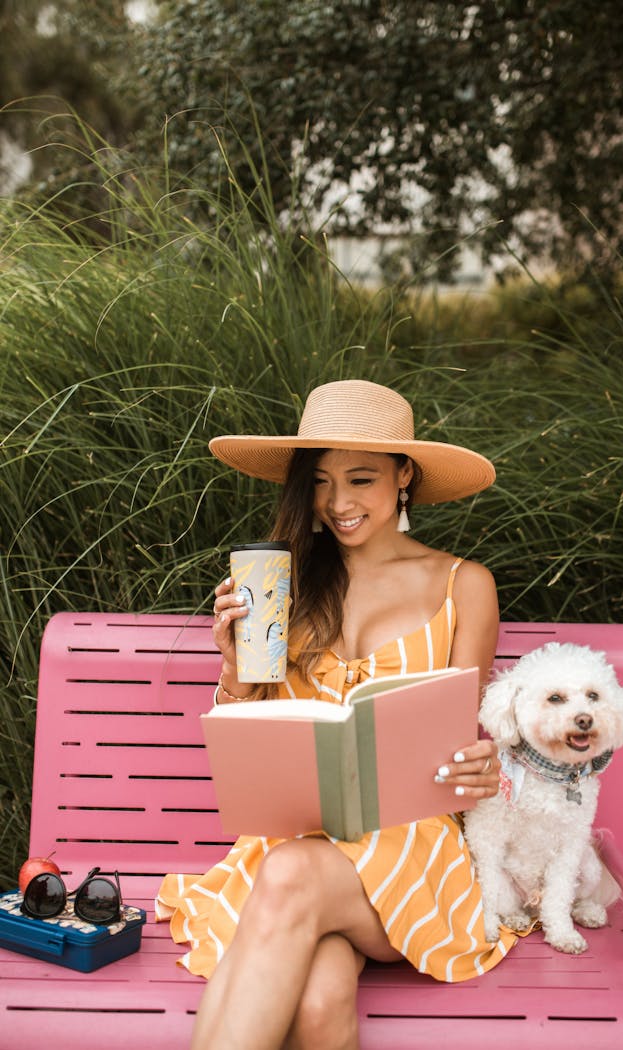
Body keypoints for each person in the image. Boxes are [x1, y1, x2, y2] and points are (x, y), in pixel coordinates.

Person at [156, 379, 522, 1050]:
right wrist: (235, 672)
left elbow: (461, 742)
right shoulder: (279, 584)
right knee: (319, 1002)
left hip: (409, 848)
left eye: (360, 479)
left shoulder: (463, 585)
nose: (338, 503)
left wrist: (481, 764)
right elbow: (248, 737)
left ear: (404, 475)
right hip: (293, 843)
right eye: (320, 482)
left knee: (291, 877)